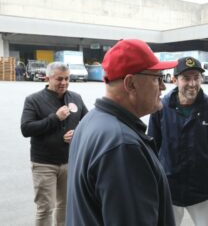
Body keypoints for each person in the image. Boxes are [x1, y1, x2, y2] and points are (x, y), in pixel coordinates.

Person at [66, 39, 177, 225]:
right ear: (131, 84)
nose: (163, 86)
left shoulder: (90, 121)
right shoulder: (123, 145)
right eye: (157, 78)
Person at [148, 56, 208, 226]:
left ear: (201, 79)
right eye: (186, 78)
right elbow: (154, 144)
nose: (192, 83)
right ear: (175, 80)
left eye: (196, 77)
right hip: (170, 186)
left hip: (203, 187)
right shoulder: (161, 107)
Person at [20, 62, 88, 226]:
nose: (64, 83)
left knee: (65, 206)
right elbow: (26, 129)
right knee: (45, 208)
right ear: (48, 77)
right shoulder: (33, 100)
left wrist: (77, 133)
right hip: (44, 163)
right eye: (59, 79)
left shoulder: (76, 98)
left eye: (66, 78)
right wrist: (55, 118)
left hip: (69, 161)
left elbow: (88, 122)